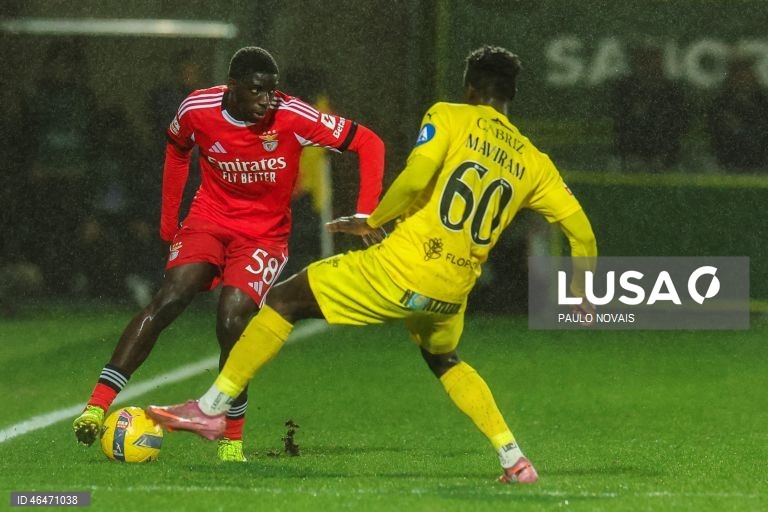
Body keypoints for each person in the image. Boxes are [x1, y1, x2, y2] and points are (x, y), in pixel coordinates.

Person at [146, 45, 597, 483]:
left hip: (403, 268)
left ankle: (210, 409)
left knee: (283, 300)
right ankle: (514, 459)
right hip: (454, 288)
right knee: (445, 359)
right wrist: (580, 293)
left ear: (471, 88)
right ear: (510, 95)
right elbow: (583, 233)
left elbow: (417, 176)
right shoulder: (534, 161)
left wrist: (372, 220)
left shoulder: (450, 115)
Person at [72, 46, 385, 462]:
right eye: (257, 91)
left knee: (232, 316)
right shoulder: (197, 109)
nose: (266, 101)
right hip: (209, 219)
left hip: (264, 235)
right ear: (232, 87)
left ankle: (230, 435)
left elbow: (368, 141)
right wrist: (170, 224)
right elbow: (176, 150)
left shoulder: (293, 115)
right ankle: (96, 405)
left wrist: (366, 212)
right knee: (172, 296)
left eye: (272, 92)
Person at [609, 43, 688, 172]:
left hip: (665, 157)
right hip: (629, 156)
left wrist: (663, 155)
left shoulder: (672, 91)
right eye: (644, 58)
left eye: (652, 58)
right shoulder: (624, 89)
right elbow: (621, 123)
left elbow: (680, 124)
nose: (649, 64)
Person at [708, 57, 768, 172]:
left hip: (761, 161)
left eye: (745, 72)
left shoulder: (763, 102)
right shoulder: (720, 103)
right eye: (737, 73)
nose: (742, 77)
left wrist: (742, 129)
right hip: (728, 161)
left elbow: (763, 134)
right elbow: (717, 134)